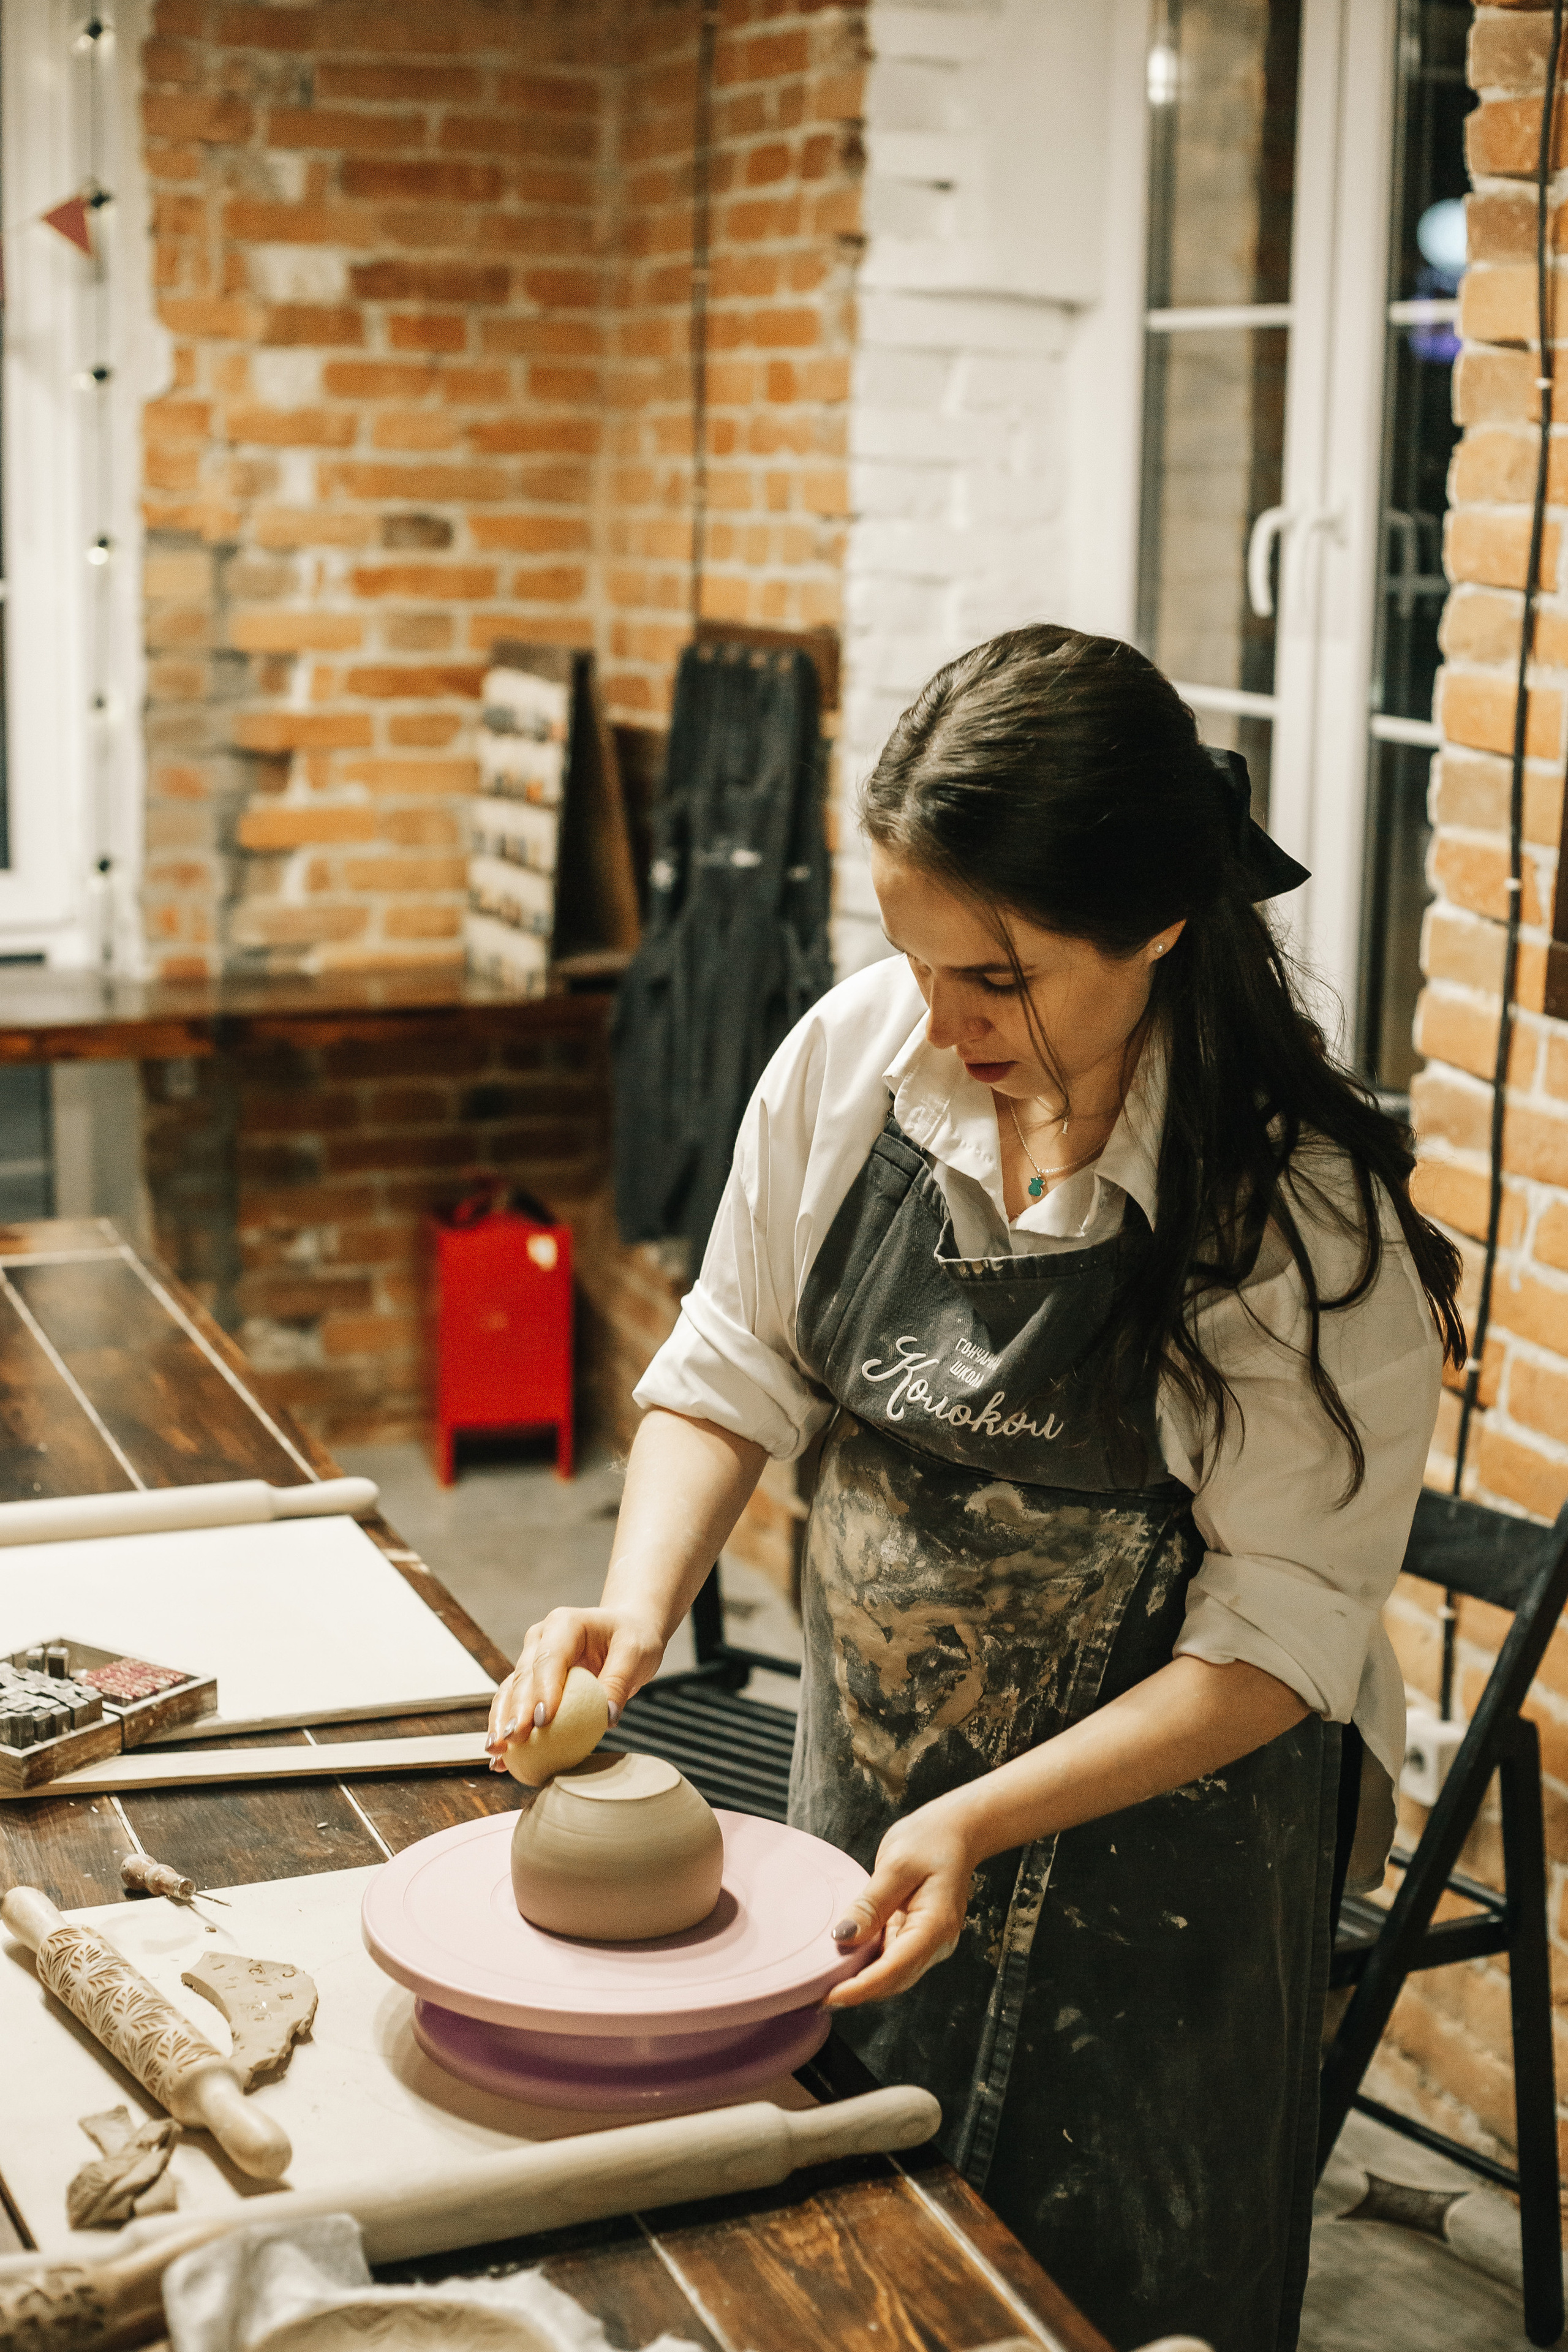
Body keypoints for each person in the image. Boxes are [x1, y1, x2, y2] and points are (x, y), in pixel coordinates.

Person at [486, 626, 1464, 2352]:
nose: (944, 1020)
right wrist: (633, 1610)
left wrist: (982, 1820)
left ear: (1156, 923)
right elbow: (733, 1362)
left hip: (1163, 1882)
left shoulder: (1296, 1222)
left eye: (999, 977)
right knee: (846, 2267)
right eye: (916, 957)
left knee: (1100, 2299)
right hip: (871, 1801)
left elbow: (1284, 1635)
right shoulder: (861, 1060)